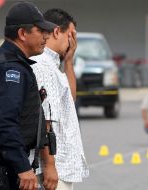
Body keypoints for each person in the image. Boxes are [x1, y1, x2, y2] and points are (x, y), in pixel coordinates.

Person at [0, 2, 57, 190]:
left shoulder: (4, 61)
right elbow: (5, 123)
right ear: (23, 34)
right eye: (40, 31)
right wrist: (22, 167)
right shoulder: (10, 69)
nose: (46, 36)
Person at [29, 8, 89, 190]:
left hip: (61, 165)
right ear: (57, 31)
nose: (73, 41)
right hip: (53, 167)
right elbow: (45, 121)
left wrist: (69, 61)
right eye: (71, 35)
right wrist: (49, 166)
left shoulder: (53, 65)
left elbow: (69, 99)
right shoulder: (43, 65)